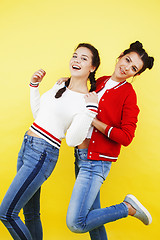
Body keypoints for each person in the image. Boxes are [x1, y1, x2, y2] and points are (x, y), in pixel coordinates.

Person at [0, 43, 100, 240]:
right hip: (27, 145)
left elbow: (72, 140)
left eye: (83, 58)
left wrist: (90, 111)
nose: (76, 60)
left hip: (43, 153)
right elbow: (40, 115)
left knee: (7, 213)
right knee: (30, 214)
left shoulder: (86, 100)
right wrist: (34, 86)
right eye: (75, 55)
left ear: (93, 67)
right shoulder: (60, 85)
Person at [65, 41, 154, 239]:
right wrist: (67, 83)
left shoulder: (128, 94)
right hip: (81, 155)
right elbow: (81, 98)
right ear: (121, 56)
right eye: (127, 60)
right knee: (93, 219)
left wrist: (95, 122)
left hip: (97, 162)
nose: (126, 67)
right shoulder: (102, 81)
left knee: (77, 222)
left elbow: (126, 137)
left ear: (135, 75)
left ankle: (127, 208)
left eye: (133, 68)